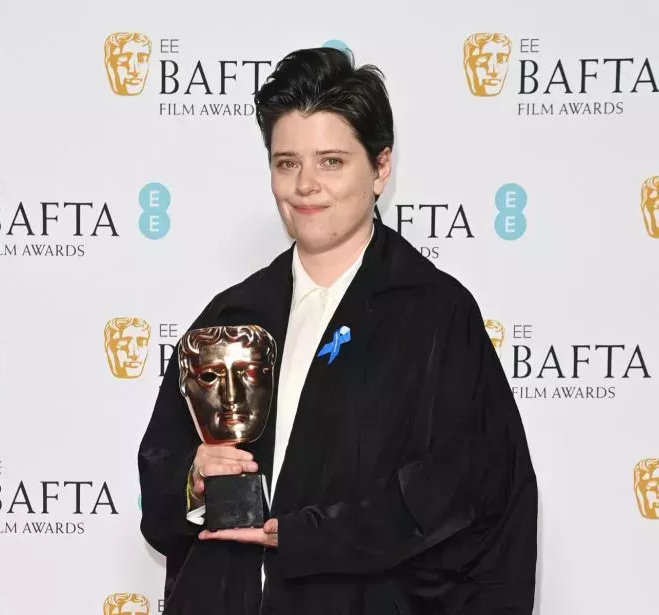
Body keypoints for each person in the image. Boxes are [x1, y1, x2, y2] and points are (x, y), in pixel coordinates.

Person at [138, 47, 538, 614]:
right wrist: (191, 483)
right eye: (286, 162)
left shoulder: (437, 316)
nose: (305, 186)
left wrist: (303, 535)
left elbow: (471, 499)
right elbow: (159, 492)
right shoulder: (231, 316)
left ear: (380, 168)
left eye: (331, 161)